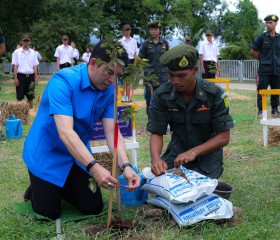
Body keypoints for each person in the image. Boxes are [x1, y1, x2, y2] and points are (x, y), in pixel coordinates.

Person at [22, 40, 140, 220]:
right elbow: (65, 132)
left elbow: (111, 131)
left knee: (93, 207)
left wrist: (125, 166)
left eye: (117, 76)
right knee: (49, 213)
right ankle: (37, 187)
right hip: (47, 153)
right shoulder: (63, 82)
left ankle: (60, 186)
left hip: (77, 154)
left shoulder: (109, 90)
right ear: (93, 64)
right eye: (109, 72)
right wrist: (94, 167)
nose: (112, 80)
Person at [146, 44, 234, 179]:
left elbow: (224, 136)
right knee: (164, 180)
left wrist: (192, 153)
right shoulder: (161, 95)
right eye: (171, 75)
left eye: (181, 75)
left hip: (207, 157)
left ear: (195, 70)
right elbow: (157, 131)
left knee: (200, 185)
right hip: (177, 154)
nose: (175, 81)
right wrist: (156, 159)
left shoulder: (214, 94)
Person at [250, 14, 280, 117]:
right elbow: (252, 50)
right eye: (267, 23)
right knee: (262, 90)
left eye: (270, 23)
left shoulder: (279, 38)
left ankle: (275, 110)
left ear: (276, 23)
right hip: (264, 70)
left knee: (276, 91)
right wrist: (262, 59)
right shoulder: (262, 37)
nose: (268, 25)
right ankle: (261, 110)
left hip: (277, 70)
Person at [138, 20, 169, 117]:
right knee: (149, 100)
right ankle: (151, 121)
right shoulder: (146, 44)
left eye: (155, 29)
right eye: (151, 29)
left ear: (160, 30)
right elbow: (140, 59)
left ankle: (164, 120)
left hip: (163, 77)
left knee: (163, 99)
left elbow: (168, 59)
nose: (153, 31)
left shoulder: (165, 43)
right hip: (149, 77)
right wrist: (143, 72)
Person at [12, 34, 39, 108]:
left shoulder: (33, 52)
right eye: (24, 41)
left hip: (30, 76)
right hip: (21, 76)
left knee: (30, 97)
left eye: (27, 41)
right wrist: (15, 78)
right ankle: (19, 112)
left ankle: (30, 112)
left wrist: (36, 77)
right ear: (22, 41)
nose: (26, 42)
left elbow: (35, 65)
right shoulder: (17, 52)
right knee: (19, 97)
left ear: (29, 42)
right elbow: (15, 66)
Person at [119, 24, 138, 102]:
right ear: (123, 31)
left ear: (130, 30)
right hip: (123, 61)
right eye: (126, 30)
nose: (127, 31)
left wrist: (134, 64)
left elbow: (135, 53)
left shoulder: (134, 41)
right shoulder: (120, 41)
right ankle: (123, 97)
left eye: (129, 30)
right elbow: (118, 54)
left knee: (129, 81)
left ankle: (127, 97)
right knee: (123, 80)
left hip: (131, 60)